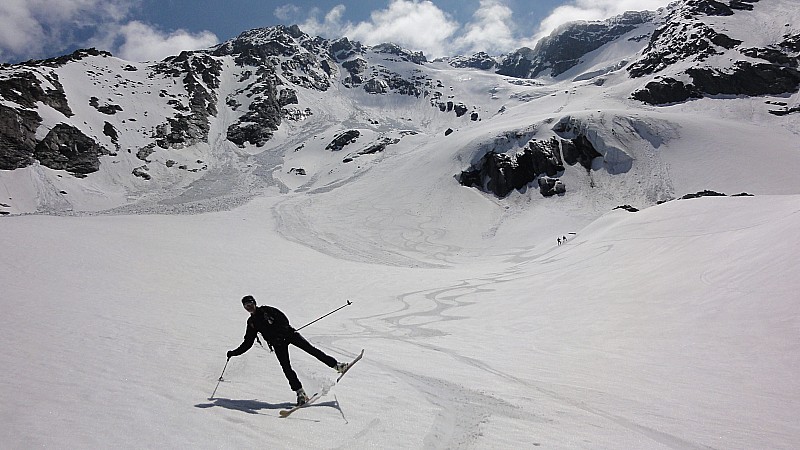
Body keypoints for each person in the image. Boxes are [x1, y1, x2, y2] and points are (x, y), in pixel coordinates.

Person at [227, 295, 350, 406]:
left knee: (312, 350)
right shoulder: (252, 323)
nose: (249, 307)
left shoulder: (267, 310)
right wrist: (234, 352)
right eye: (246, 306)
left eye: (250, 304)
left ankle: (337, 366)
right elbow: (248, 342)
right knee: (286, 367)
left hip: (290, 334)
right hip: (277, 343)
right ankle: (300, 393)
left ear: (255, 303)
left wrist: (282, 331)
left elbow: (283, 319)